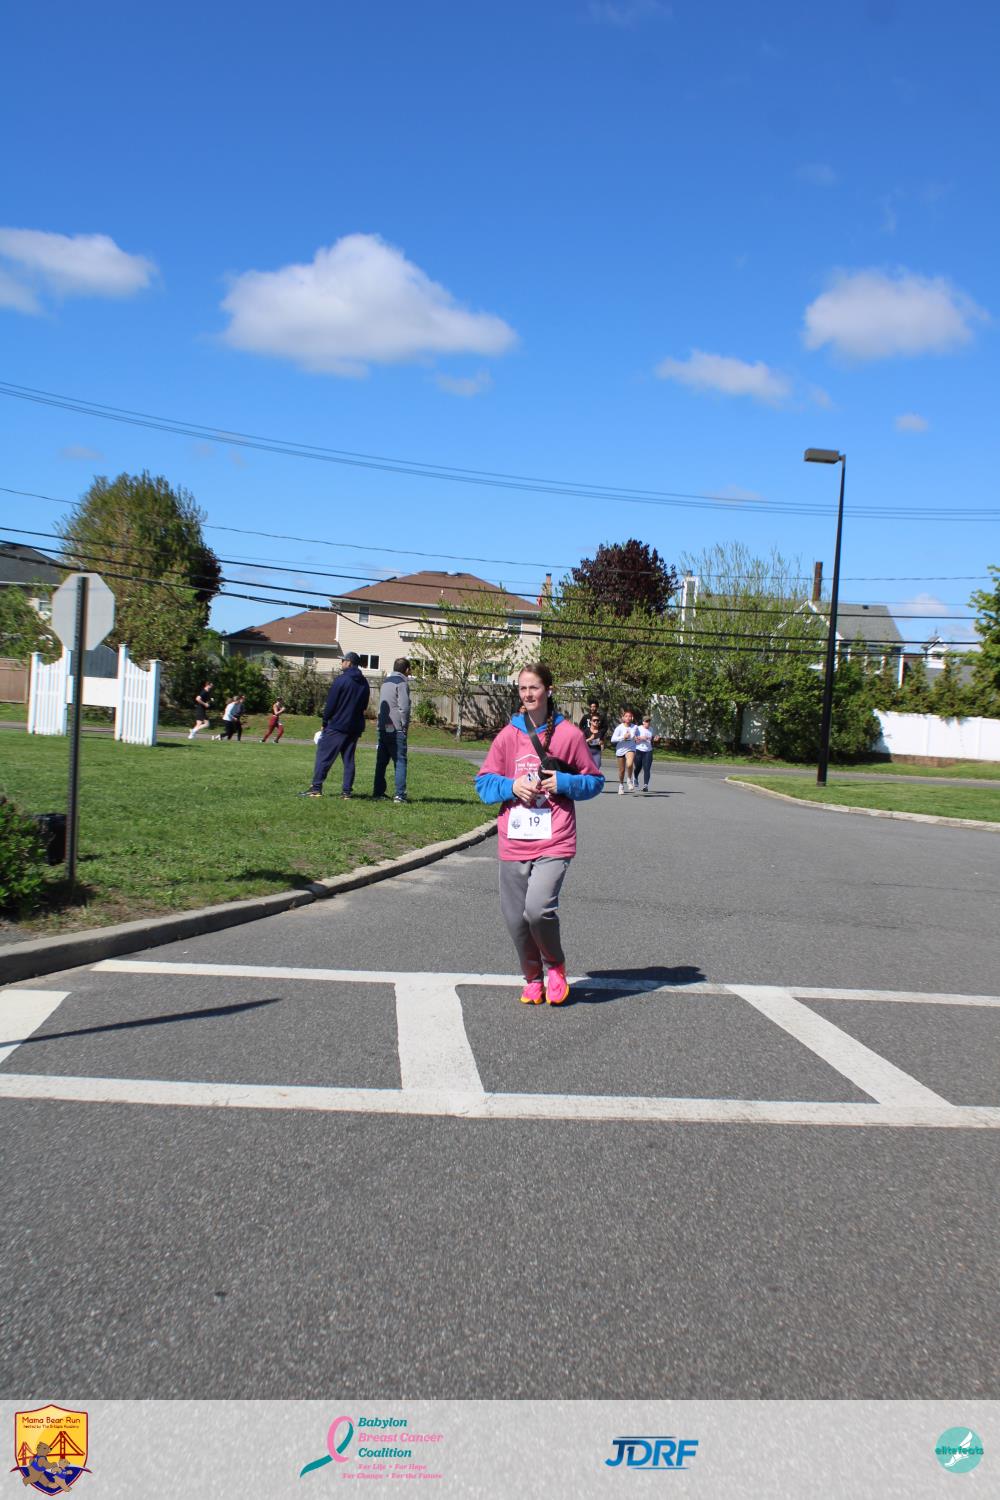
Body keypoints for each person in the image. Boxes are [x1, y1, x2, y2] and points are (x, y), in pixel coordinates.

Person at [475, 662, 603, 1006]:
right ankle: (532, 978)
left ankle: (555, 967)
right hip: (515, 838)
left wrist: (564, 782)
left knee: (537, 910)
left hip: (555, 837)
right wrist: (512, 786)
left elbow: (594, 781)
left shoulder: (569, 735)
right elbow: (483, 784)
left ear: (549, 690)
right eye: (523, 688)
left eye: (534, 687)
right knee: (515, 919)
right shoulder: (508, 735)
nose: (528, 694)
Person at [300, 652, 371, 798]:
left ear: (349, 663)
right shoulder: (364, 683)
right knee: (349, 759)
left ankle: (316, 788)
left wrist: (324, 722)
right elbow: (364, 705)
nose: (341, 663)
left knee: (324, 756)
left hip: (338, 725)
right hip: (355, 726)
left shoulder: (341, 680)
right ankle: (346, 792)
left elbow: (331, 704)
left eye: (343, 661)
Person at [372, 657, 411, 803]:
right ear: (407, 670)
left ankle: (378, 792)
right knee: (400, 761)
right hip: (396, 728)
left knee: (381, 762)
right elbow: (404, 708)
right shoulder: (402, 683)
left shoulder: (385, 682)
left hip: (383, 726)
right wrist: (404, 726)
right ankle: (399, 795)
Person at [610, 708, 639, 794]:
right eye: (626, 716)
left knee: (629, 764)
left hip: (631, 748)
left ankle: (629, 780)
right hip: (620, 749)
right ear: (623, 718)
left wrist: (637, 738)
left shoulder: (635, 727)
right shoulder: (619, 728)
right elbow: (613, 739)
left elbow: (637, 736)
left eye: (630, 716)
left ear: (632, 718)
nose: (628, 718)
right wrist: (623, 737)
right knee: (621, 770)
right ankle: (621, 785)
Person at [632, 714, 659, 791]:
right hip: (638, 750)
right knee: (638, 767)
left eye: (649, 721)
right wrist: (640, 737)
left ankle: (645, 785)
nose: (648, 723)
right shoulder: (638, 728)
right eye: (646, 721)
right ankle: (635, 777)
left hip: (648, 751)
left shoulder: (651, 729)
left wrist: (655, 739)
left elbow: (651, 738)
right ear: (643, 722)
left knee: (647, 768)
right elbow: (633, 738)